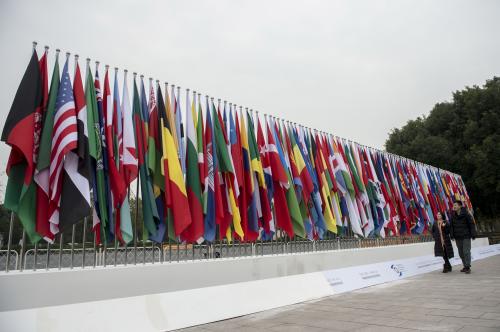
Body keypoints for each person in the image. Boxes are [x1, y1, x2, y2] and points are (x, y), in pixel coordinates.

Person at [450, 200, 476, 274]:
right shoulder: (453, 216)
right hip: (458, 237)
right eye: (453, 205)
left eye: (455, 205)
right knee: (461, 253)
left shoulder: (466, 214)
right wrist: (452, 235)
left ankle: (467, 267)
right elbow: (451, 227)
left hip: (466, 236)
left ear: (460, 206)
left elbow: (471, 224)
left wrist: (473, 234)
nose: (454, 206)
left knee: (466, 251)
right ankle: (465, 266)